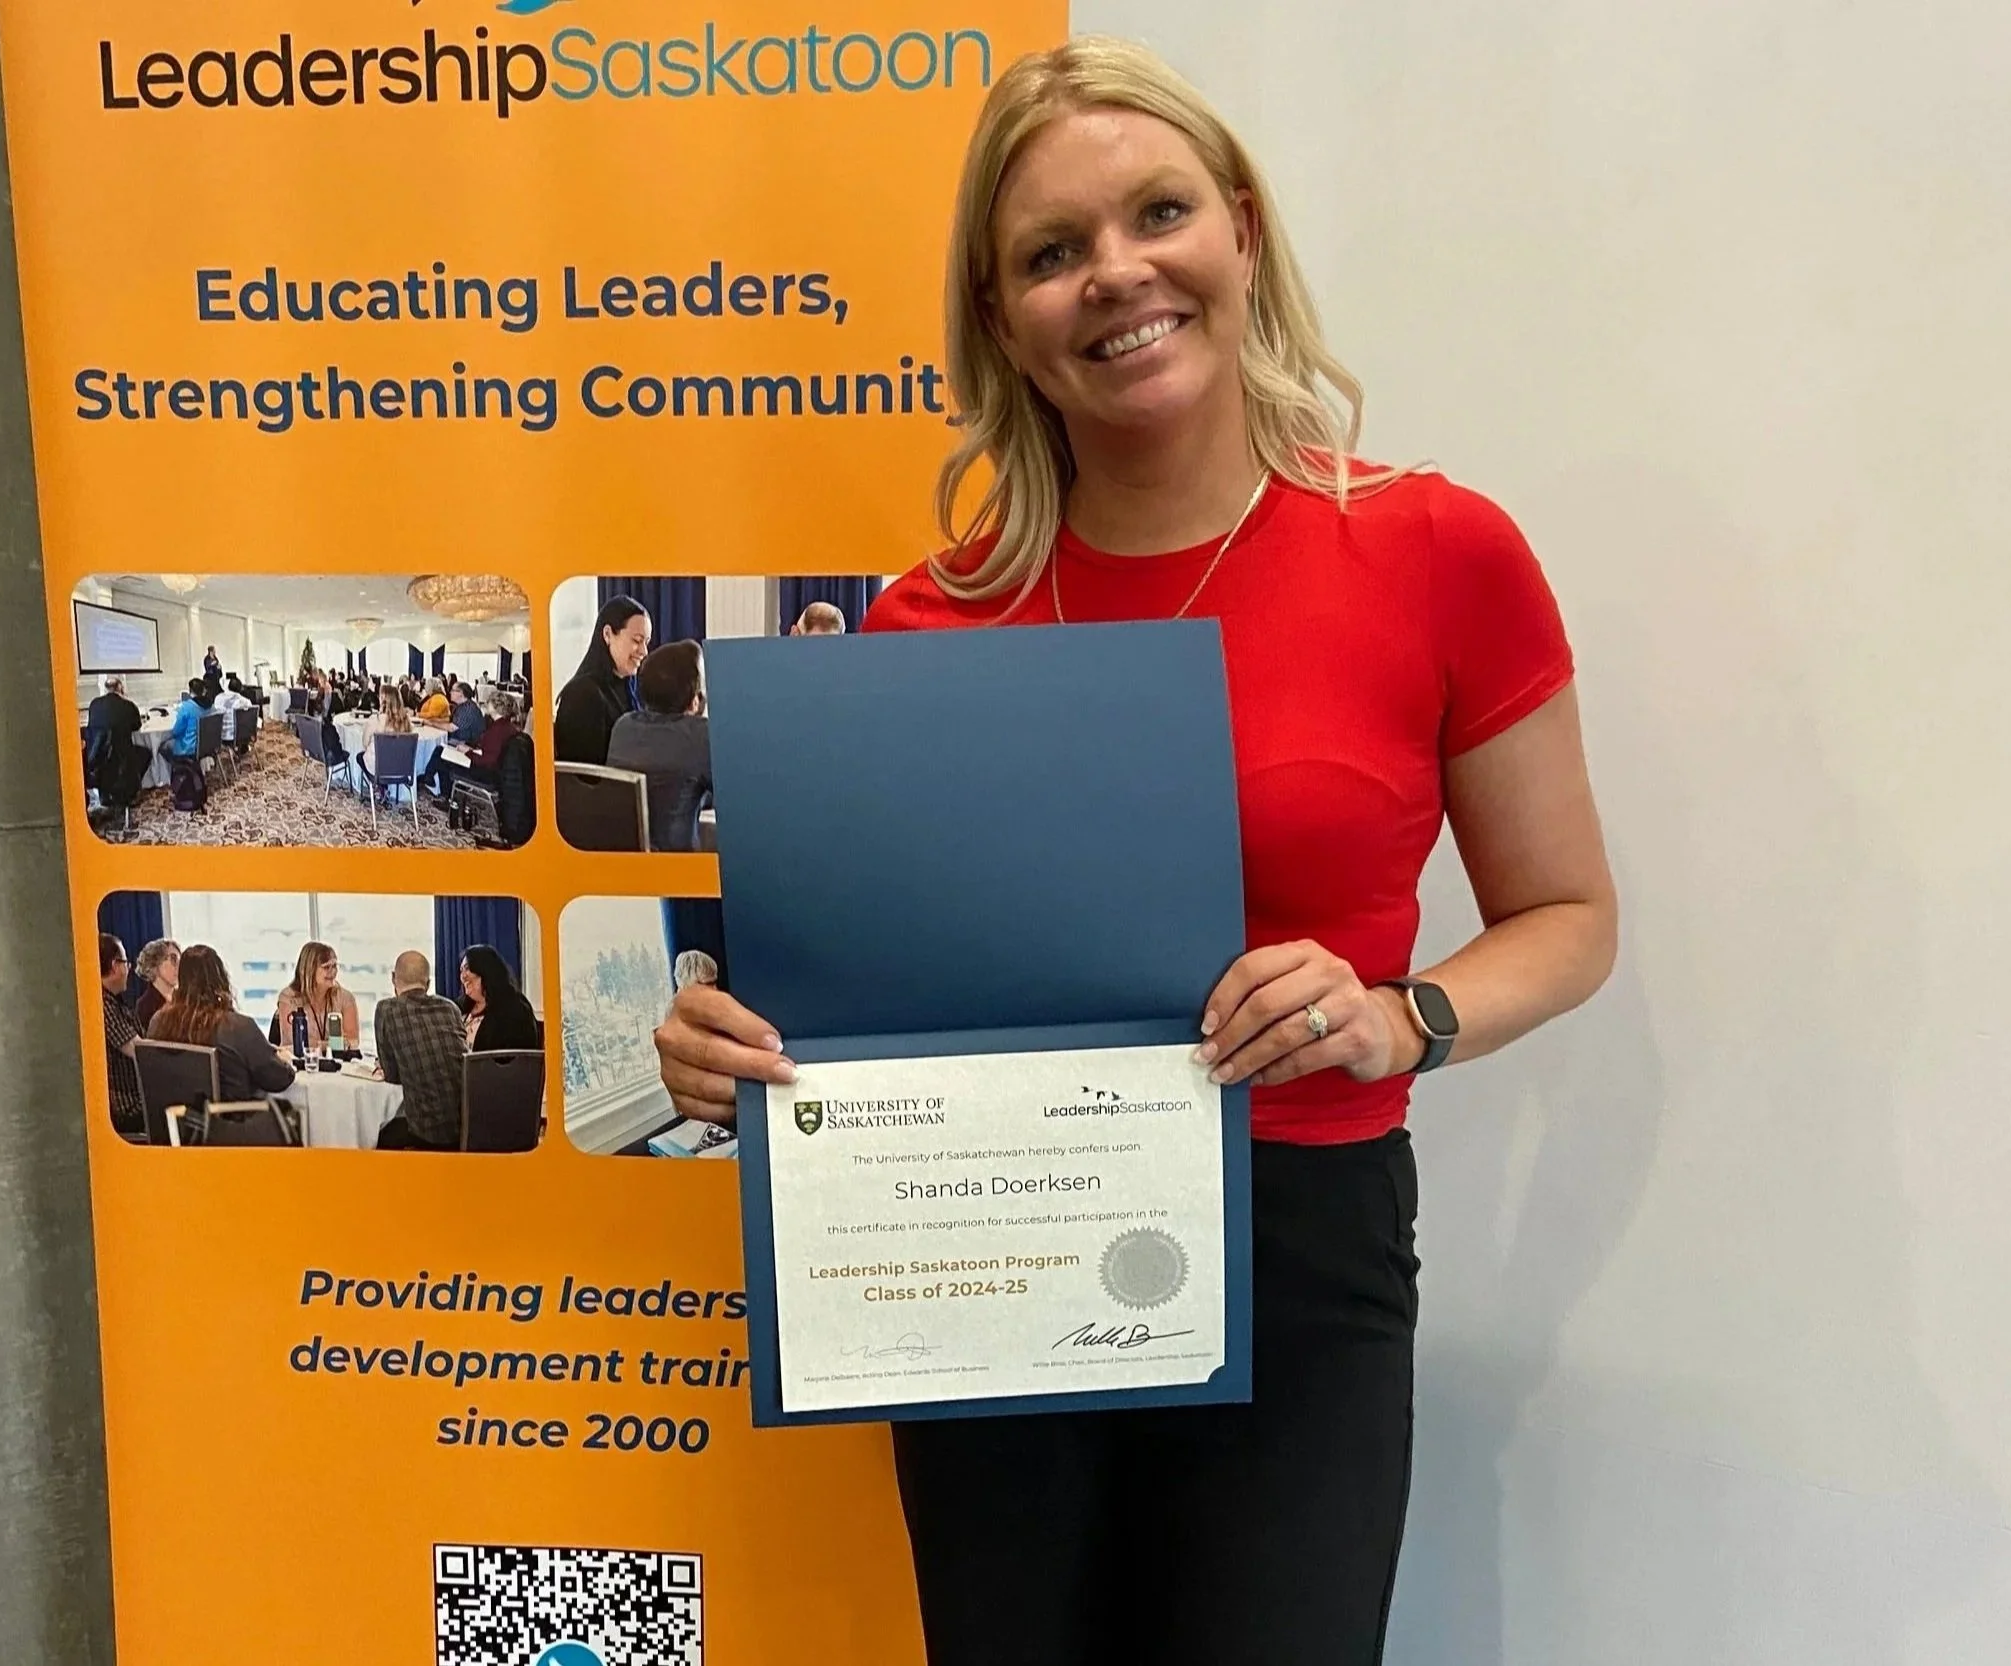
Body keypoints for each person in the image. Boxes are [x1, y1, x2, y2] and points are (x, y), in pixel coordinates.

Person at [648, 39, 1617, 1666]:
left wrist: (1405, 1016)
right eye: (1050, 254)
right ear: (1005, 321)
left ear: (1238, 229)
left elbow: (1569, 915)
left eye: (1155, 213)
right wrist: (728, 1042)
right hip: (985, 1252)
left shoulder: (1437, 549)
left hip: (1303, 1242)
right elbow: (882, 1007)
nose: (1115, 276)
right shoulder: (926, 621)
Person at [149, 946, 296, 1102]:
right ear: (220, 979)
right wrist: (286, 1062)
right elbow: (277, 1080)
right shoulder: (238, 1027)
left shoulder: (158, 1022)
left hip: (176, 1121)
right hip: (235, 1122)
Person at [606, 640, 714, 852]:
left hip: (622, 869)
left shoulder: (623, 727)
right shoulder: (700, 735)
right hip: (678, 874)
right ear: (695, 700)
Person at [371, 950, 469, 1151]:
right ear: (428, 983)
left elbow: (392, 1076)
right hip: (464, 1127)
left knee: (378, 1135)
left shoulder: (386, 1010)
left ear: (393, 978)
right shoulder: (450, 1007)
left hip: (424, 1130)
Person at [552, 596, 651, 765]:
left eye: (646, 642)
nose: (644, 651)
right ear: (607, 635)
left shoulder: (631, 687)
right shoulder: (582, 694)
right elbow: (583, 777)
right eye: (637, 640)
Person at [276, 941, 362, 1058]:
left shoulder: (345, 998)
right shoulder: (288, 998)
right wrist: (334, 1044)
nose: (333, 972)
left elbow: (352, 1042)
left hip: (336, 1066)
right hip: (298, 1065)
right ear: (309, 970)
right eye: (326, 967)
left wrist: (319, 1044)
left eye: (334, 966)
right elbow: (297, 1044)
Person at [98, 933, 145, 1139]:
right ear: (115, 965)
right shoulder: (103, 1005)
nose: (129, 970)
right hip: (126, 1109)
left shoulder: (115, 1002)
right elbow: (139, 1050)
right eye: (126, 963)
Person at [460, 945, 540, 1053]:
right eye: (461, 970)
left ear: (484, 968)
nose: (463, 976)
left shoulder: (515, 1008)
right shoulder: (460, 1007)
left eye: (467, 968)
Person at [83, 676, 147, 789]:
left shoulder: (94, 704)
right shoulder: (128, 705)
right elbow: (137, 726)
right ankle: (131, 789)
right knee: (145, 753)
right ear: (120, 688)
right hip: (122, 754)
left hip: (98, 755)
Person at [132, 938, 180, 1028]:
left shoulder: (184, 998)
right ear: (155, 964)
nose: (179, 965)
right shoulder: (145, 1006)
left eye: (180, 960)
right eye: (173, 959)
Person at [164, 678, 207, 761]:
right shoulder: (211, 707)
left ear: (190, 691)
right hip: (206, 746)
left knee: (162, 746)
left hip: (187, 747)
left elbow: (176, 731)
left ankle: (172, 772)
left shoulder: (186, 707)